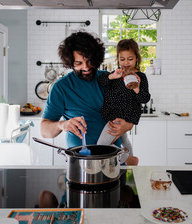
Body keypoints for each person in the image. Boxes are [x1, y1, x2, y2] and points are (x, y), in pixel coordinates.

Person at [40, 31, 137, 165]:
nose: (85, 67)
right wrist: (63, 124)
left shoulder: (110, 80)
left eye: (89, 61)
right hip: (80, 164)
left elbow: (129, 111)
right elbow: (45, 132)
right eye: (79, 63)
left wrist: (127, 125)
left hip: (114, 162)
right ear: (70, 62)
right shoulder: (61, 88)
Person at [97, 39, 151, 165]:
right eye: (122, 59)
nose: (126, 63)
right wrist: (112, 76)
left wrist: (136, 87)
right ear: (118, 59)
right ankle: (131, 164)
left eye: (130, 59)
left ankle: (127, 158)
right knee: (125, 140)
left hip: (123, 117)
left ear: (137, 58)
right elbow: (101, 81)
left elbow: (145, 98)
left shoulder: (141, 77)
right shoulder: (116, 74)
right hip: (112, 114)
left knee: (101, 146)